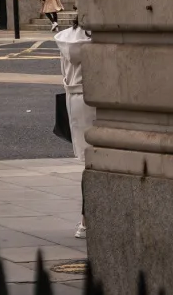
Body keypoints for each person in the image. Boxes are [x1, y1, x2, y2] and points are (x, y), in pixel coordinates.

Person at [57, 17, 94, 238]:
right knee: (97, 162)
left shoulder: (66, 38)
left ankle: (85, 222)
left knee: (87, 161)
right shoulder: (94, 41)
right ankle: (86, 220)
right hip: (92, 100)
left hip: (74, 101)